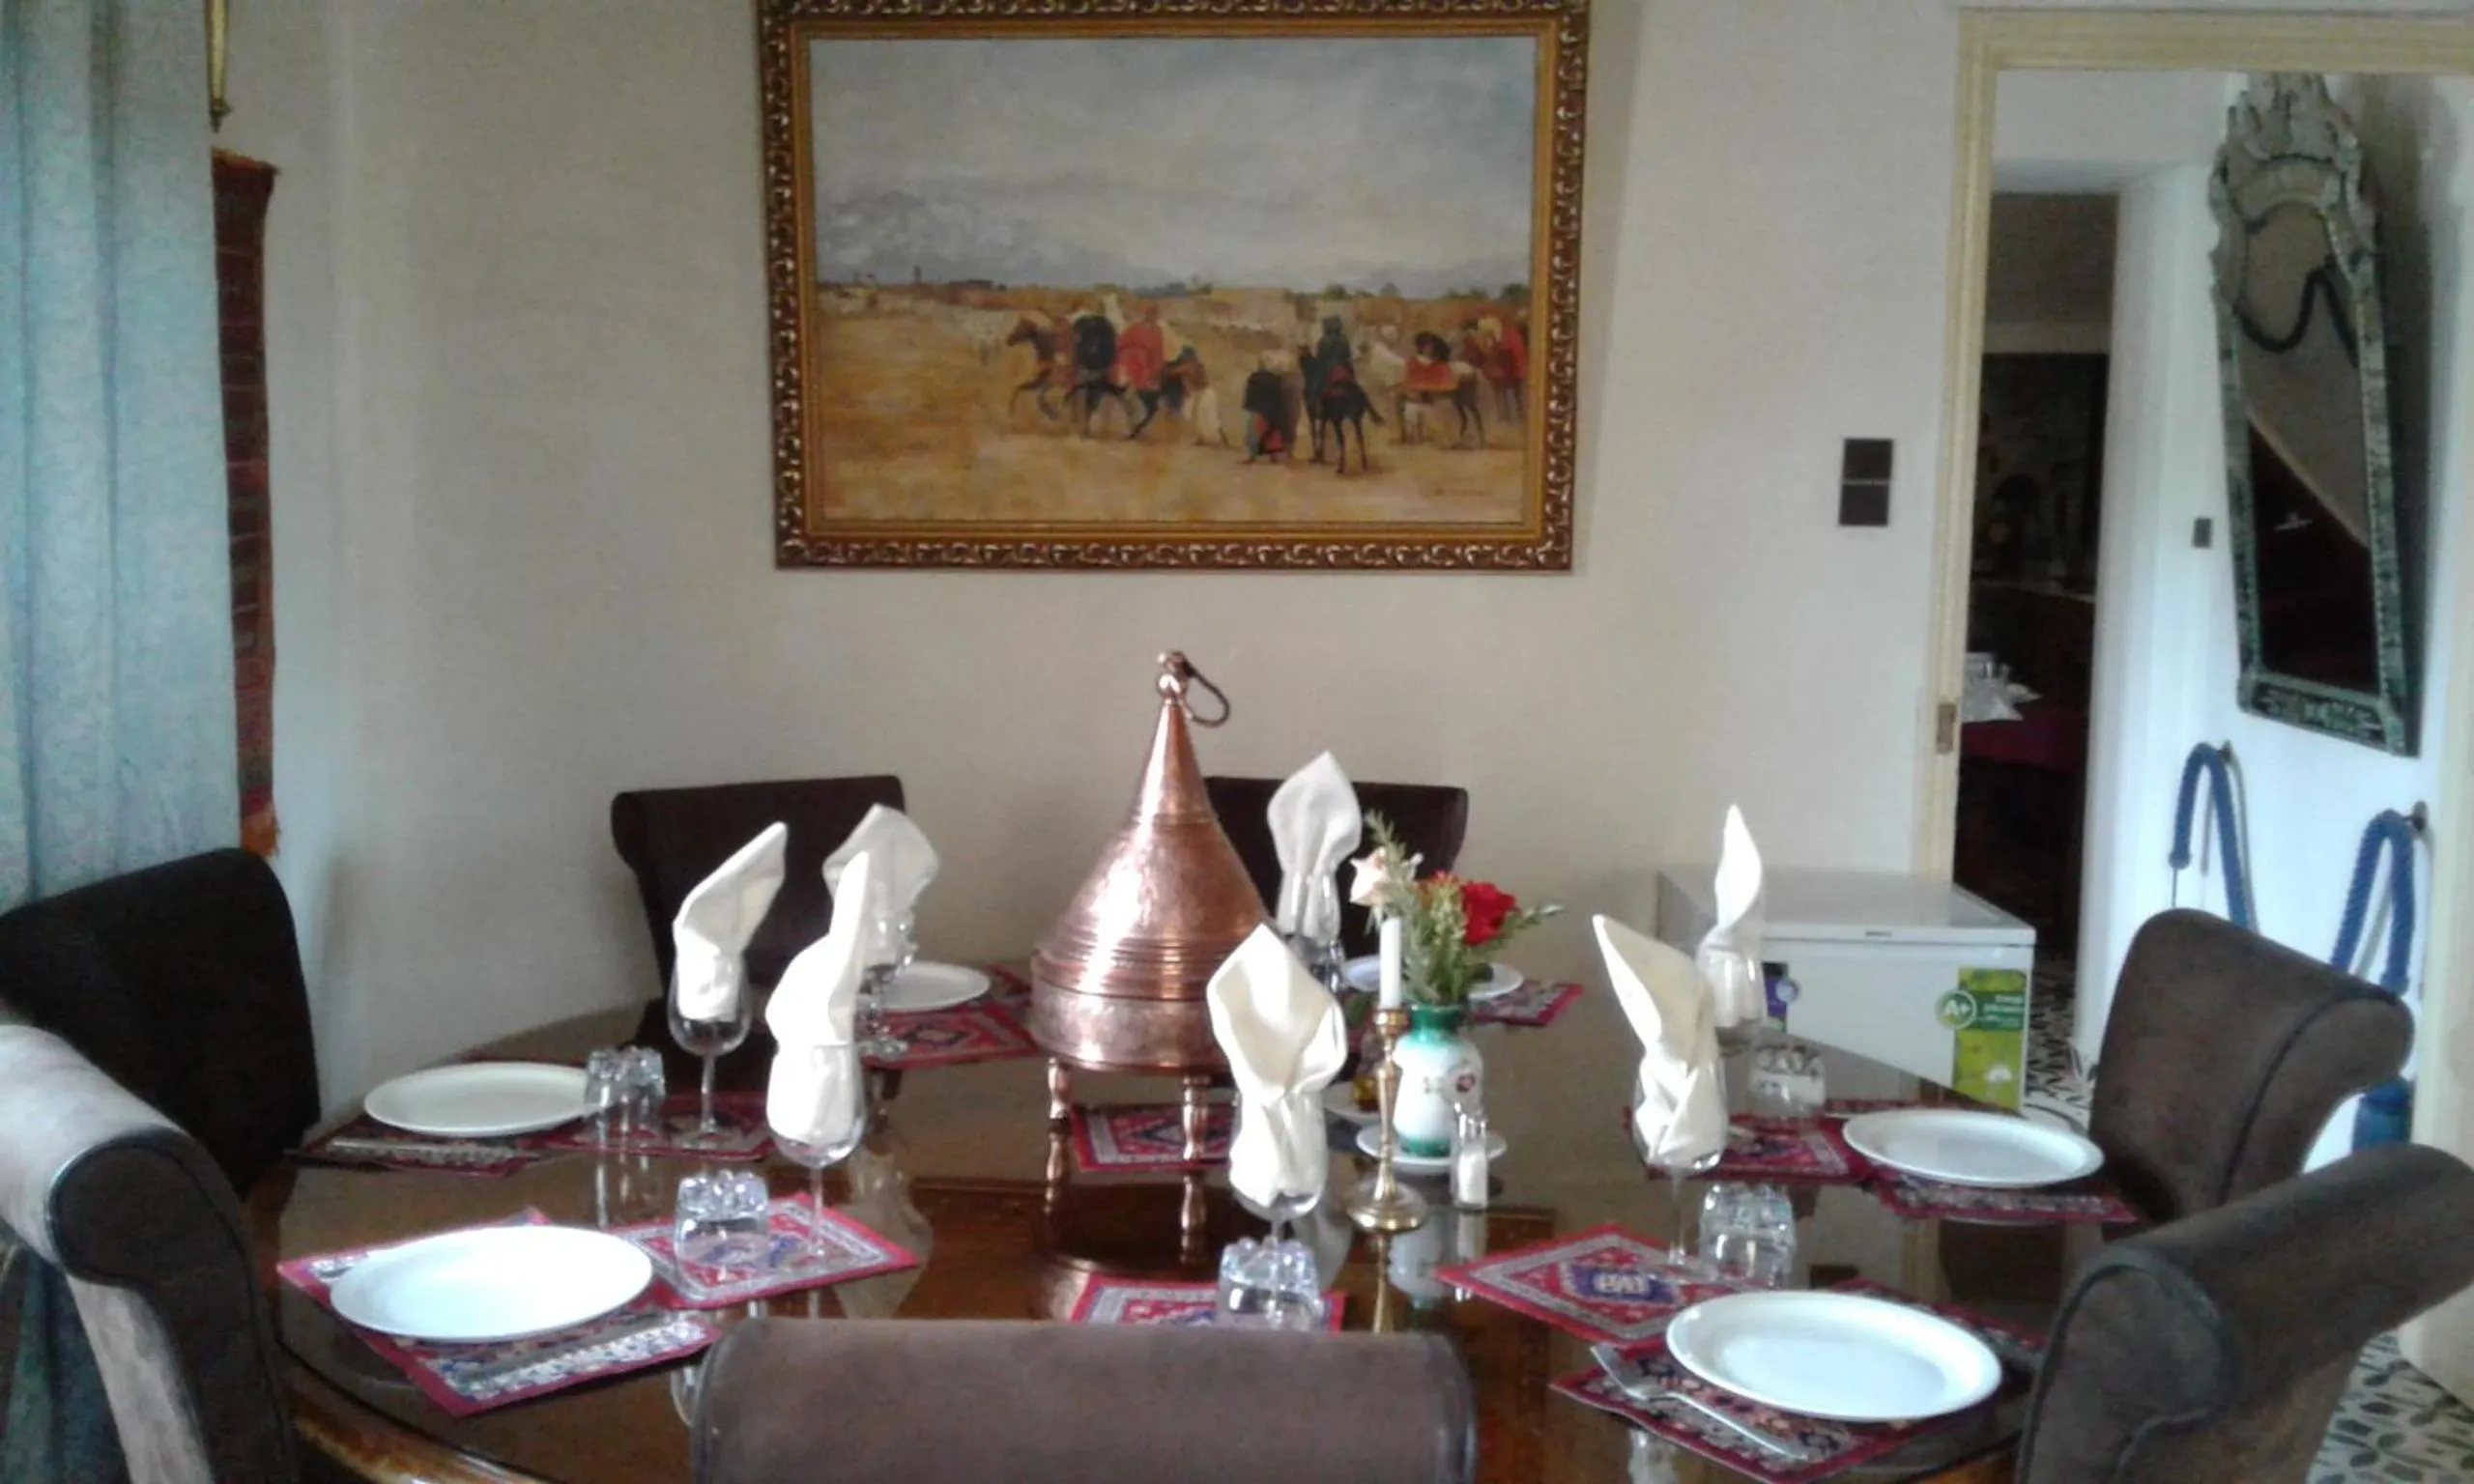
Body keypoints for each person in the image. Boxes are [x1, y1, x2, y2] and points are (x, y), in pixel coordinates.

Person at [1242, 352, 1292, 463]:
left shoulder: (1254, 377)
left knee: (1255, 434)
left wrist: (1248, 406)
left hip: (1257, 410)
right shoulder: (1276, 378)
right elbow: (1280, 396)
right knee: (1272, 434)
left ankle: (1252, 456)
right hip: (1272, 411)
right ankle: (1273, 457)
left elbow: (1250, 394)